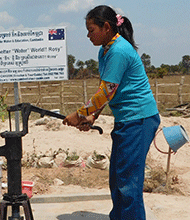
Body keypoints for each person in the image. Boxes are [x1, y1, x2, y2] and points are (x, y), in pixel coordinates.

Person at [62, 5, 160, 220]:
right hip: (128, 120)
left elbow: (107, 91)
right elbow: (106, 87)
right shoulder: (105, 50)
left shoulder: (119, 50)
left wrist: (79, 114)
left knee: (128, 183)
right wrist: (92, 115)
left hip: (139, 119)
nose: (88, 35)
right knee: (117, 178)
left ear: (106, 27)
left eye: (91, 30)